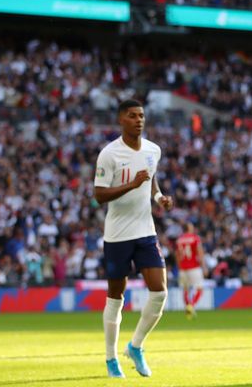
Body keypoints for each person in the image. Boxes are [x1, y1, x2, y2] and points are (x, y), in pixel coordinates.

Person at [94, 99, 174, 378]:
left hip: (145, 231)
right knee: (116, 298)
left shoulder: (154, 150)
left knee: (160, 292)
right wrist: (131, 183)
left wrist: (158, 197)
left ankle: (136, 346)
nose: (138, 120)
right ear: (121, 120)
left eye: (141, 115)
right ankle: (110, 358)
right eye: (132, 116)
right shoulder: (109, 154)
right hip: (117, 235)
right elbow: (99, 195)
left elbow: (151, 180)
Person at [175, 223, 206, 319]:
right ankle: (191, 305)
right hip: (194, 267)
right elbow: (199, 252)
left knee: (185, 290)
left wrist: (180, 267)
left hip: (183, 269)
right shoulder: (195, 238)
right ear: (189, 228)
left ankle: (188, 311)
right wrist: (204, 266)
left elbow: (177, 255)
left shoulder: (179, 240)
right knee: (200, 289)